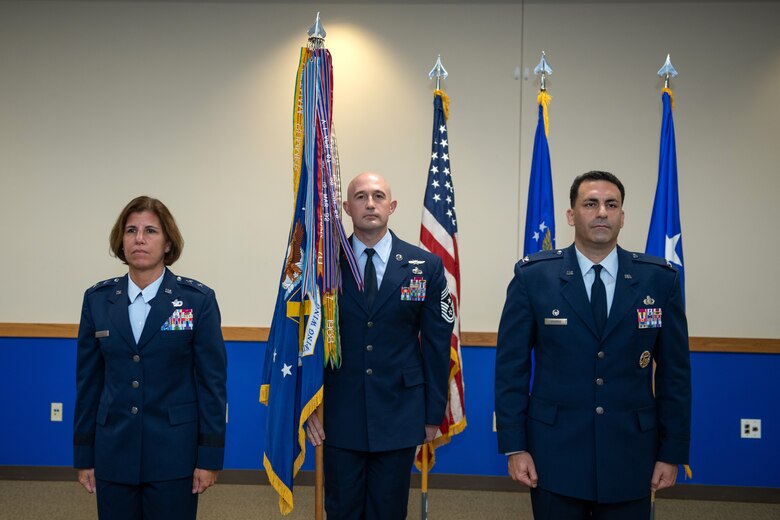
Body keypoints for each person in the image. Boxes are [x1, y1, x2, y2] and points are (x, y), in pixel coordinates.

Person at [494, 171, 691, 519]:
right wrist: (515, 446)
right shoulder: (534, 278)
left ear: (622, 216)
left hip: (631, 453)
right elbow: (511, 368)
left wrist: (671, 450)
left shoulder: (658, 280)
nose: (602, 212)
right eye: (591, 203)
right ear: (571, 215)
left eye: (611, 205)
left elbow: (675, 373)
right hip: (554, 453)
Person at [305, 172, 454, 519]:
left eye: (378, 196)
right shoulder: (323, 265)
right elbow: (305, 340)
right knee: (342, 509)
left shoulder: (425, 266)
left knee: (389, 510)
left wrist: (433, 413)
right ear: (346, 207)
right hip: (339, 413)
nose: (369, 204)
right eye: (360, 196)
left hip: (399, 412)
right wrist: (306, 403)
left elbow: (436, 344)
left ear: (392, 206)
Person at [73, 196, 227, 520]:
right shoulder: (98, 301)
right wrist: (84, 455)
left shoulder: (197, 301)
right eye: (131, 230)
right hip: (113, 452)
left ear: (168, 243)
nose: (139, 238)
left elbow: (212, 385)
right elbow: (88, 384)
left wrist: (209, 457)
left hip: (175, 456)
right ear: (121, 240)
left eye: (150, 231)